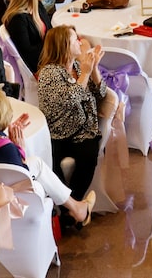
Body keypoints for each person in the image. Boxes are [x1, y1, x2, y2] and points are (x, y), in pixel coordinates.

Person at [0, 87, 96, 227]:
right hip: (9, 202)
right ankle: (75, 209)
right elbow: (22, 177)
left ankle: (75, 208)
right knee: (39, 171)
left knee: (37, 164)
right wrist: (20, 148)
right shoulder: (7, 149)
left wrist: (7, 137)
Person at [37, 25, 106, 200]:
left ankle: (72, 207)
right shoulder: (49, 73)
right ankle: (66, 208)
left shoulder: (78, 65)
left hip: (83, 131)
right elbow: (70, 99)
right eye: (75, 39)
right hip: (56, 131)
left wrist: (95, 69)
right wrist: (86, 74)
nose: (80, 42)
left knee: (89, 156)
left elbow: (101, 94)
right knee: (49, 162)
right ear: (64, 45)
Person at [2, 0, 53, 74]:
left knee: (82, 45)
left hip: (51, 54)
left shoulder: (37, 6)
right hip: (40, 66)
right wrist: (52, 43)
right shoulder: (17, 20)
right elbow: (28, 54)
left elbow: (50, 31)